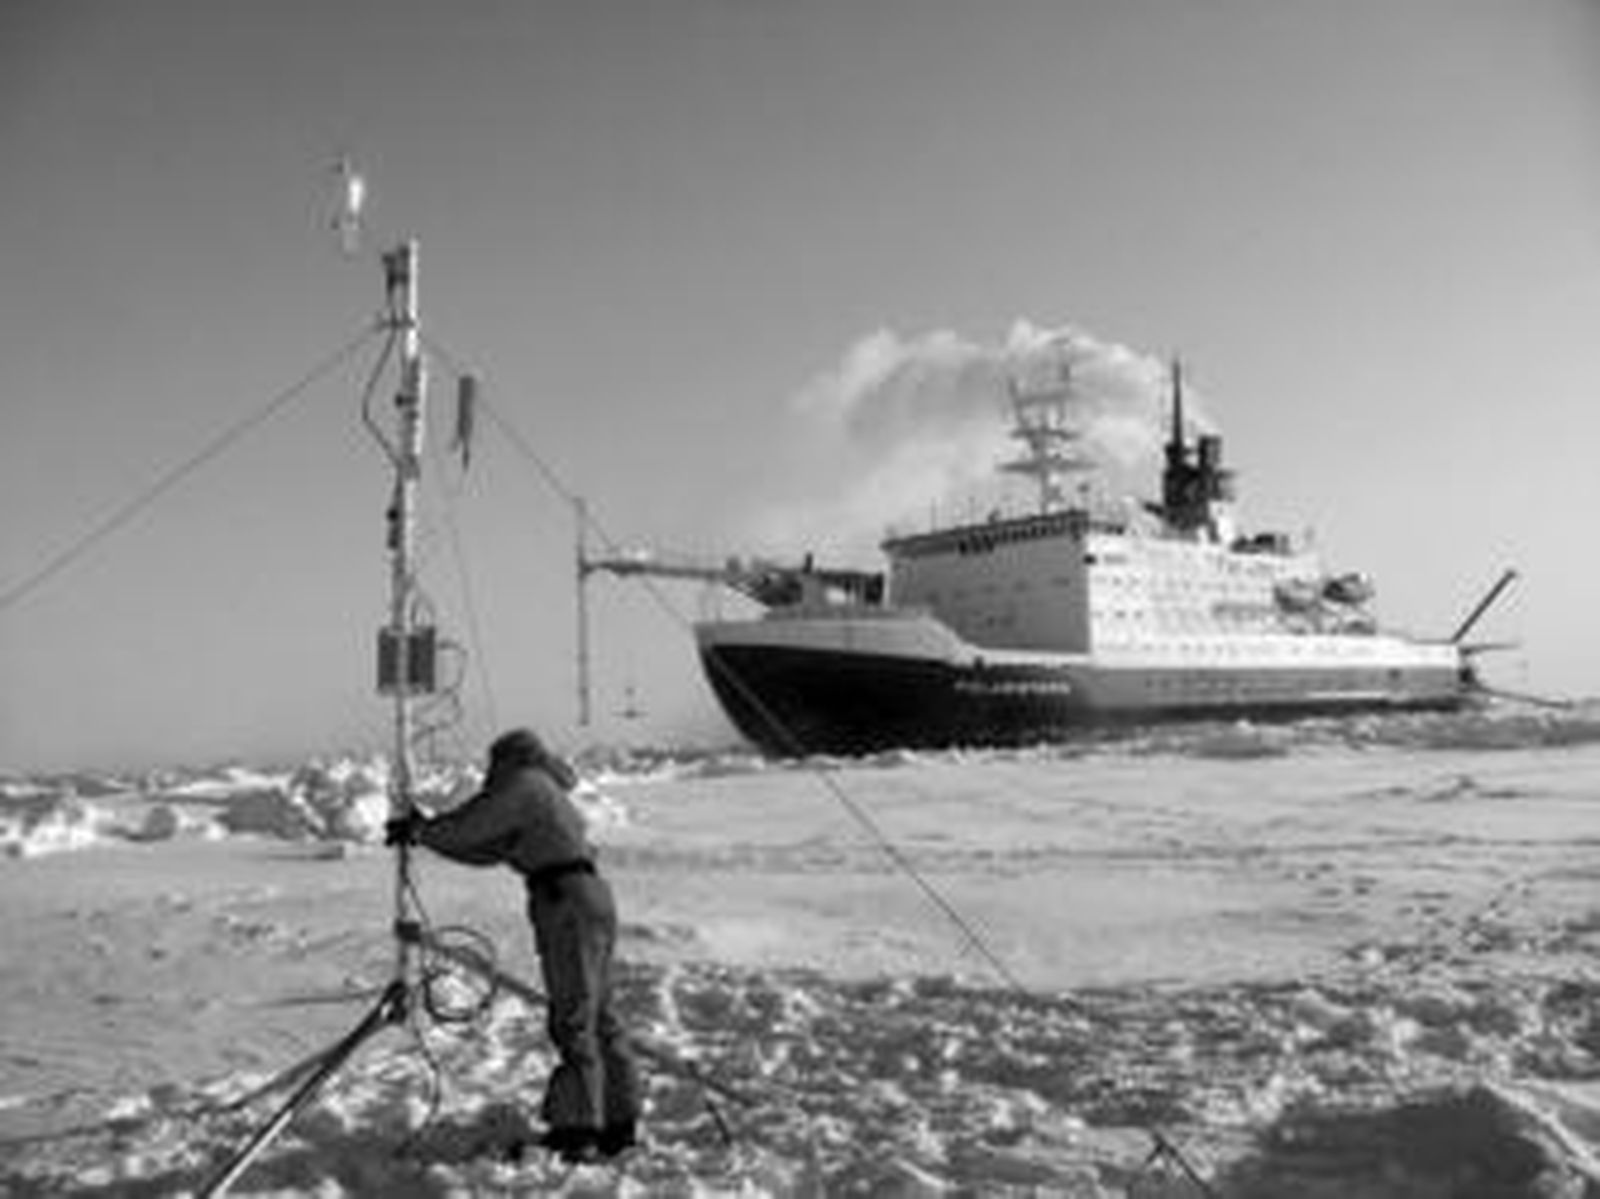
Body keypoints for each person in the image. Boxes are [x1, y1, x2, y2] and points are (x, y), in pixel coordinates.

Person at [387, 728, 641, 1163]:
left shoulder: (523, 784)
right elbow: (488, 848)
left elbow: (474, 826)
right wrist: (426, 834)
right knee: (600, 1014)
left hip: (565, 901)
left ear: (509, 759)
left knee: (575, 1017)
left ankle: (578, 1128)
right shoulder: (544, 792)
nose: (489, 775)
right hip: (589, 896)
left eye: (493, 765)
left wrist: (422, 829)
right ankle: (617, 1119)